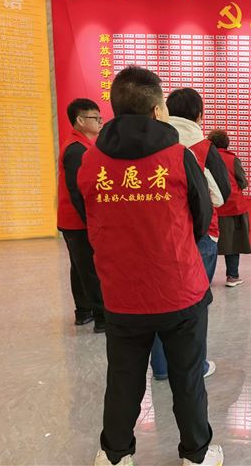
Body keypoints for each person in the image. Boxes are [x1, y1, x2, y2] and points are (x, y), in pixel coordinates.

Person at [64, 66, 223, 466]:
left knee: (123, 378)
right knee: (187, 378)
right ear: (156, 111)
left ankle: (115, 456)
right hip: (179, 291)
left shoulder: (90, 162)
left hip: (121, 293)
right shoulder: (179, 157)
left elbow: (87, 215)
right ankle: (196, 456)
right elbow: (202, 219)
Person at [149, 88, 232, 382]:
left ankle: (161, 367)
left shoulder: (152, 146)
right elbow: (221, 195)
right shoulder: (203, 148)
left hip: (160, 235)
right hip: (200, 237)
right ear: (199, 115)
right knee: (195, 303)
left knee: (159, 300)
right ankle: (194, 366)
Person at [58, 98, 106, 333]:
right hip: (78, 222)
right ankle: (102, 317)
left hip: (73, 221)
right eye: (94, 118)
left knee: (80, 268)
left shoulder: (82, 146)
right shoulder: (76, 150)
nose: (99, 122)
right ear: (80, 120)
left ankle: (84, 312)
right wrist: (90, 222)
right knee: (89, 269)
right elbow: (77, 191)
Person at [208, 129, 251, 287]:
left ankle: (206, 278)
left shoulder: (205, 159)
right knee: (233, 242)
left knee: (209, 243)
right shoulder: (232, 159)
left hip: (212, 208)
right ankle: (232, 276)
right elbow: (243, 182)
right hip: (233, 207)